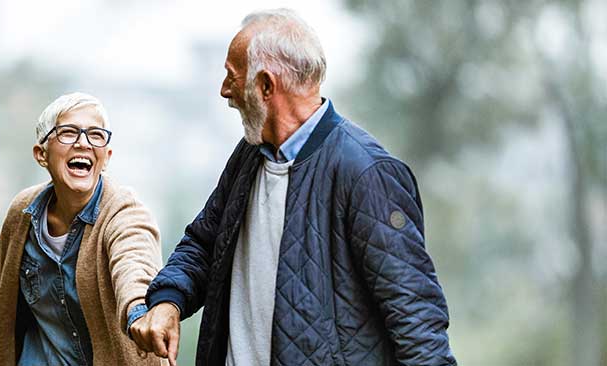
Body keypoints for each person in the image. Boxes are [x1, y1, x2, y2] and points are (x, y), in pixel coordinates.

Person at [129, 9, 456, 366]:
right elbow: (205, 244)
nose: (225, 91)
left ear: (266, 86)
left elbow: (417, 323)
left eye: (232, 77)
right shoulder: (249, 155)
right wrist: (168, 300)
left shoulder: (366, 173)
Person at [0, 92, 165, 366]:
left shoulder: (124, 212)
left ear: (106, 157)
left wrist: (139, 311)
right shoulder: (21, 214)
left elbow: (135, 263)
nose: (83, 143)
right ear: (41, 154)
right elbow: (7, 310)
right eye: (68, 132)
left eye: (95, 135)